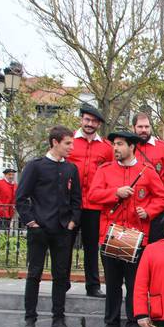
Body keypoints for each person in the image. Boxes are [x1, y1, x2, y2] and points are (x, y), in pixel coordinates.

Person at [89, 131, 164, 327]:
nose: (115, 148)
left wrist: (149, 211)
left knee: (134, 283)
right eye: (114, 144)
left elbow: (163, 198)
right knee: (113, 282)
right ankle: (111, 323)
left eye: (119, 144)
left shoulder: (147, 171)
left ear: (131, 147)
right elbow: (93, 195)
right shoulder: (105, 170)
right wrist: (116, 192)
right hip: (111, 234)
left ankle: (133, 323)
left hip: (136, 237)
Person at [16, 125, 82, 327]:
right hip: (40, 229)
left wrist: (73, 222)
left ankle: (58, 319)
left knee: (61, 276)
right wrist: (31, 222)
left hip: (63, 230)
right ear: (55, 142)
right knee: (34, 273)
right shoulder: (35, 166)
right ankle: (30, 319)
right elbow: (21, 198)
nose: (71, 147)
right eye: (67, 143)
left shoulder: (71, 169)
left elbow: (77, 200)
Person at [67, 103, 113, 298]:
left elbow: (112, 172)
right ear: (81, 120)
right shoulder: (69, 142)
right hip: (70, 203)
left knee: (92, 246)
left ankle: (92, 285)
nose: (89, 124)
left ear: (98, 125)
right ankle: (62, 282)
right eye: (87, 119)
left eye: (94, 121)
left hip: (95, 205)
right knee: (65, 245)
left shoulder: (106, 147)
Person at [132, 112, 164, 243]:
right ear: (133, 128)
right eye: (140, 127)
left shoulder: (162, 148)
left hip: (159, 207)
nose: (144, 130)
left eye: (147, 127)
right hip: (136, 208)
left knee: (155, 245)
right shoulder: (130, 147)